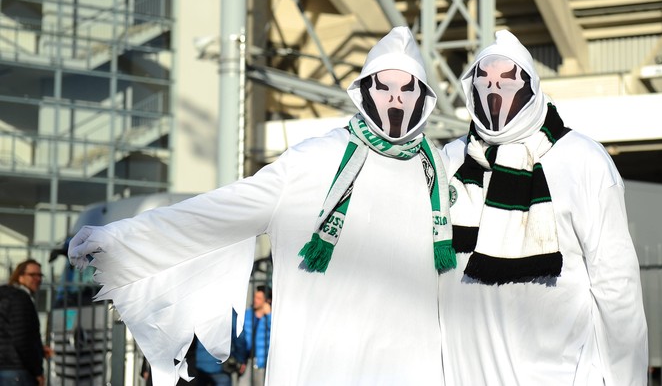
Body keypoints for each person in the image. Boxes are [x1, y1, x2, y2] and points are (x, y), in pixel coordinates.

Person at [69, 26, 455, 385]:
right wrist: (121, 237)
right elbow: (221, 210)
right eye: (384, 86)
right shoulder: (315, 161)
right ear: (364, 91)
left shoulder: (438, 172)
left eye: (407, 89)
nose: (395, 99)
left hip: (413, 367)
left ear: (423, 98)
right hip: (323, 368)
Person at [439, 30, 648, 385]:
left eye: (507, 82)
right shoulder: (451, 159)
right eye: (484, 81)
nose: (494, 91)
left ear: (531, 88)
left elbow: (616, 284)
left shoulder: (582, 159)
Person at [0, 260, 48, 386]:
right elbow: (21, 340)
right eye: (32, 275)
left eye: (40, 275)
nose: (38, 279)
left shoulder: (5, 297)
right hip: (18, 371)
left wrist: (40, 350)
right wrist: (37, 371)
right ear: (20, 276)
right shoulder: (20, 299)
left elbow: (8, 334)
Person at [240, 287, 270, 386]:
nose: (255, 300)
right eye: (255, 297)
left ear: (266, 301)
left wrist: (269, 314)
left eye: (259, 298)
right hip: (247, 360)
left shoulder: (270, 317)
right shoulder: (248, 314)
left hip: (262, 362)